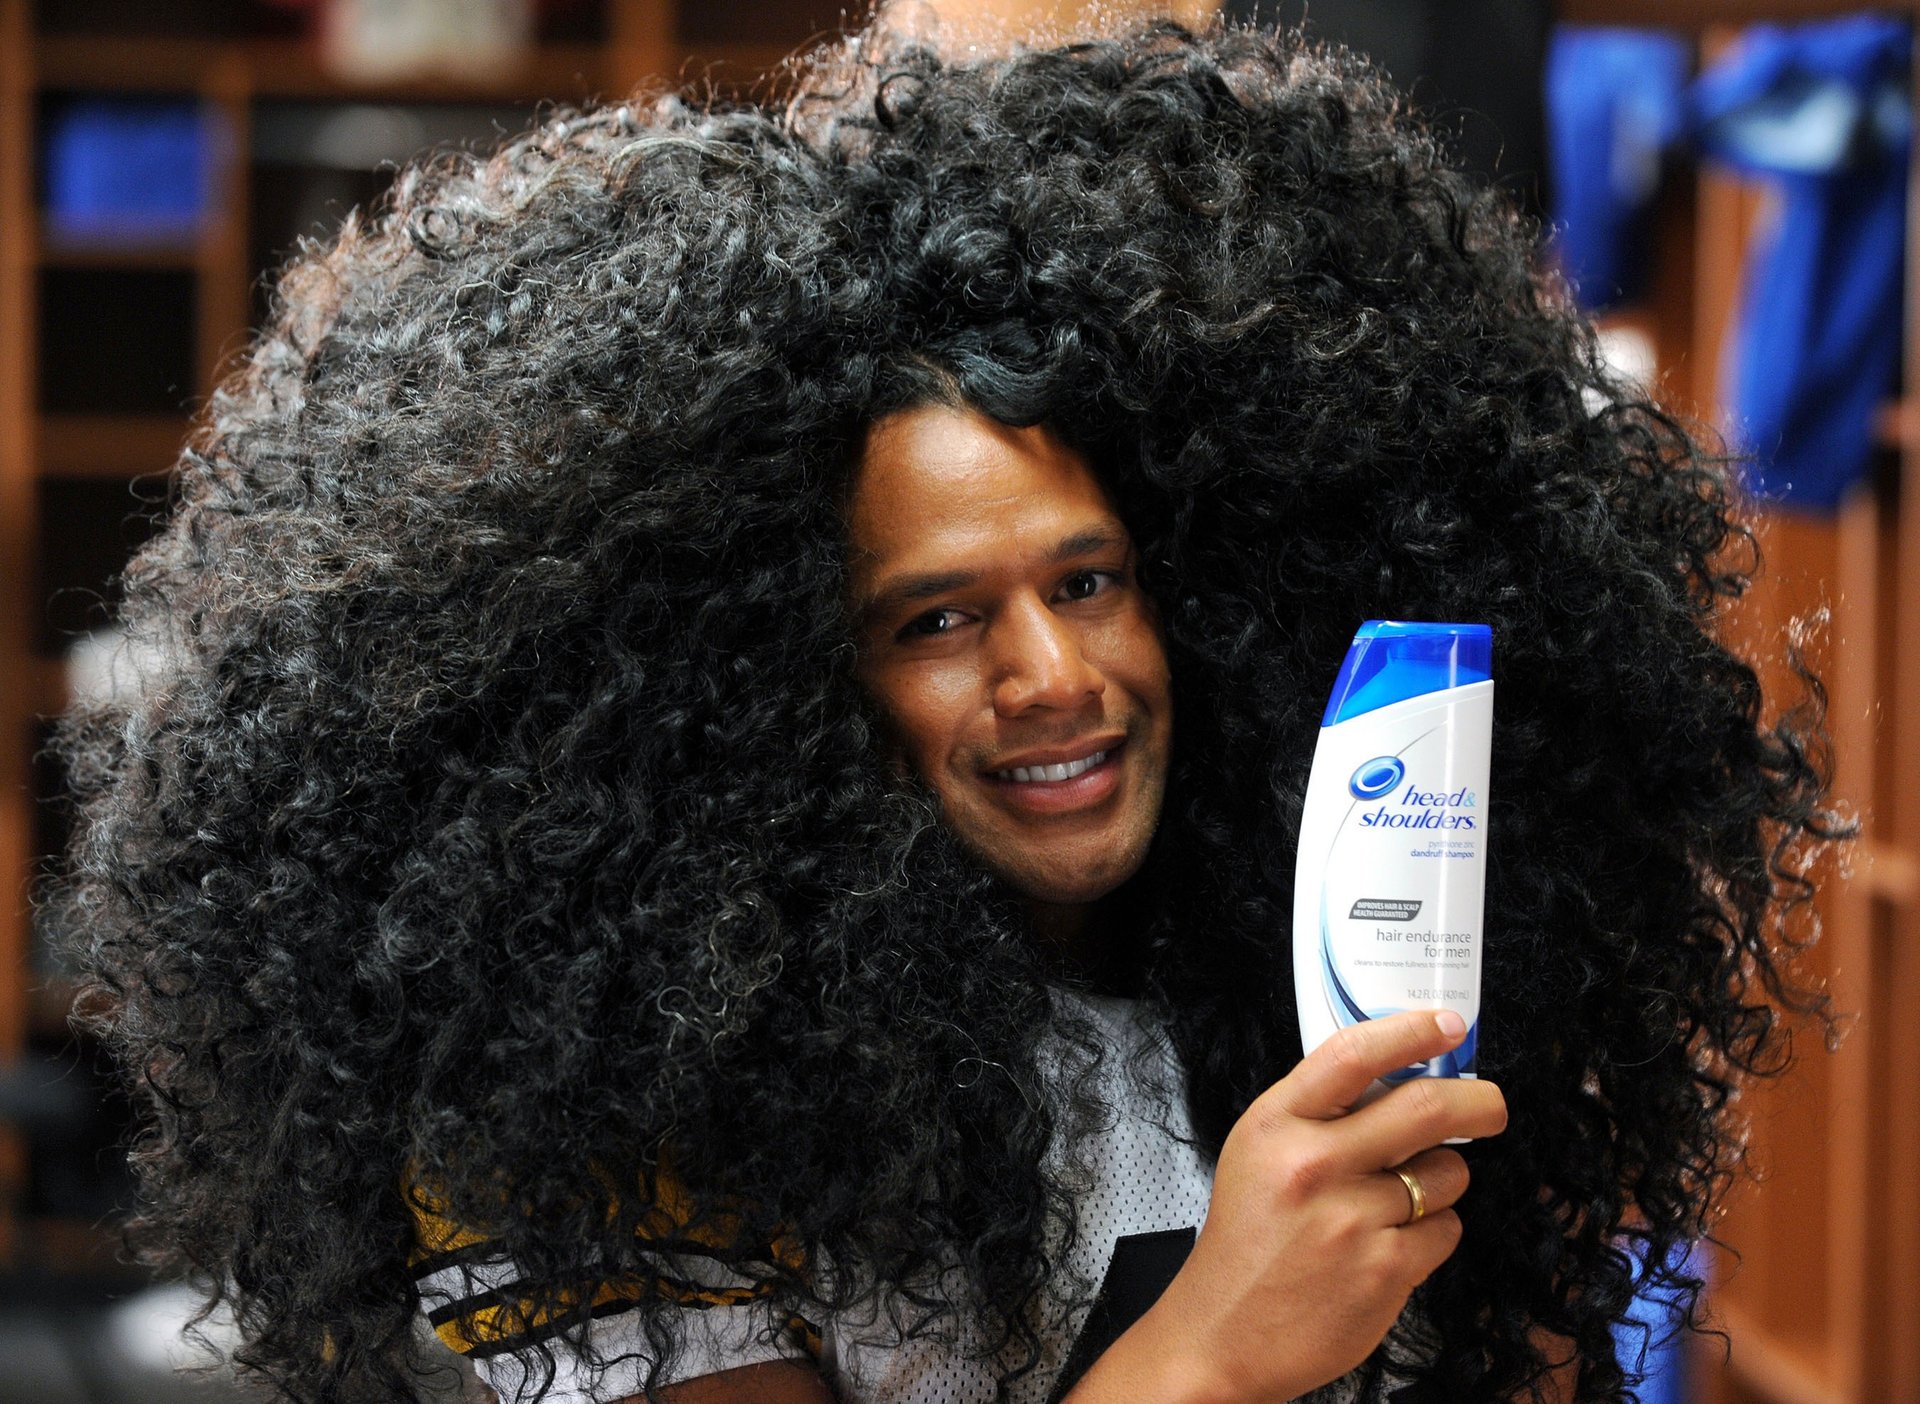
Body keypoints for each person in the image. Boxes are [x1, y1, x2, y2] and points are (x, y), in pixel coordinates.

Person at [48, 12, 1844, 1404]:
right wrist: (1218, 1345)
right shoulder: (607, 1107)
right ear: (774, 683)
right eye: (933, 618)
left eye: (1086, 580)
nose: (1052, 675)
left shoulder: (1322, 958)